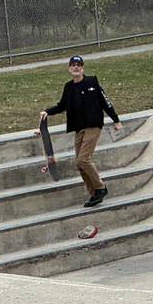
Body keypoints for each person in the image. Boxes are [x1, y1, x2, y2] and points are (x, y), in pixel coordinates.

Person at [40, 55, 122, 207]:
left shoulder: (92, 82)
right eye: (73, 65)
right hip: (79, 128)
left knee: (83, 160)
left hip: (93, 125)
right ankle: (95, 193)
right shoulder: (69, 87)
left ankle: (100, 188)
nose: (76, 67)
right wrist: (47, 112)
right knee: (79, 164)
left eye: (78, 65)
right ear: (69, 68)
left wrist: (116, 120)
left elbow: (105, 101)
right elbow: (62, 105)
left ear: (82, 68)